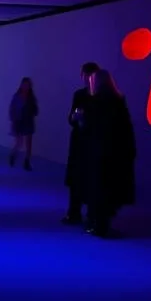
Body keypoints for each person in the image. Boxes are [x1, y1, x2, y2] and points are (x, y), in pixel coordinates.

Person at [79, 69, 136, 238]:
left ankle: (97, 224)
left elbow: (89, 128)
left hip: (98, 153)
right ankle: (101, 225)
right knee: (109, 189)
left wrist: (81, 120)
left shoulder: (95, 103)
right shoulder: (118, 101)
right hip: (115, 153)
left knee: (98, 188)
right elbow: (126, 129)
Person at [63, 62, 100, 225]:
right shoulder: (79, 95)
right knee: (75, 178)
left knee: (92, 179)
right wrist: (75, 118)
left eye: (90, 75)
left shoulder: (101, 96)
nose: (87, 79)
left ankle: (92, 214)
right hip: (79, 142)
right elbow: (70, 117)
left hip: (93, 143)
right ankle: (74, 213)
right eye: (85, 75)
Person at [8, 77, 39, 171]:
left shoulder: (31, 98)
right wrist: (13, 119)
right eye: (24, 85)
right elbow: (12, 109)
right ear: (21, 85)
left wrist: (32, 112)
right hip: (19, 122)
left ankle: (26, 161)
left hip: (28, 122)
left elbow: (36, 110)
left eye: (27, 85)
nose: (26, 87)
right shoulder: (17, 96)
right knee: (19, 142)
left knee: (28, 144)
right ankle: (13, 155)